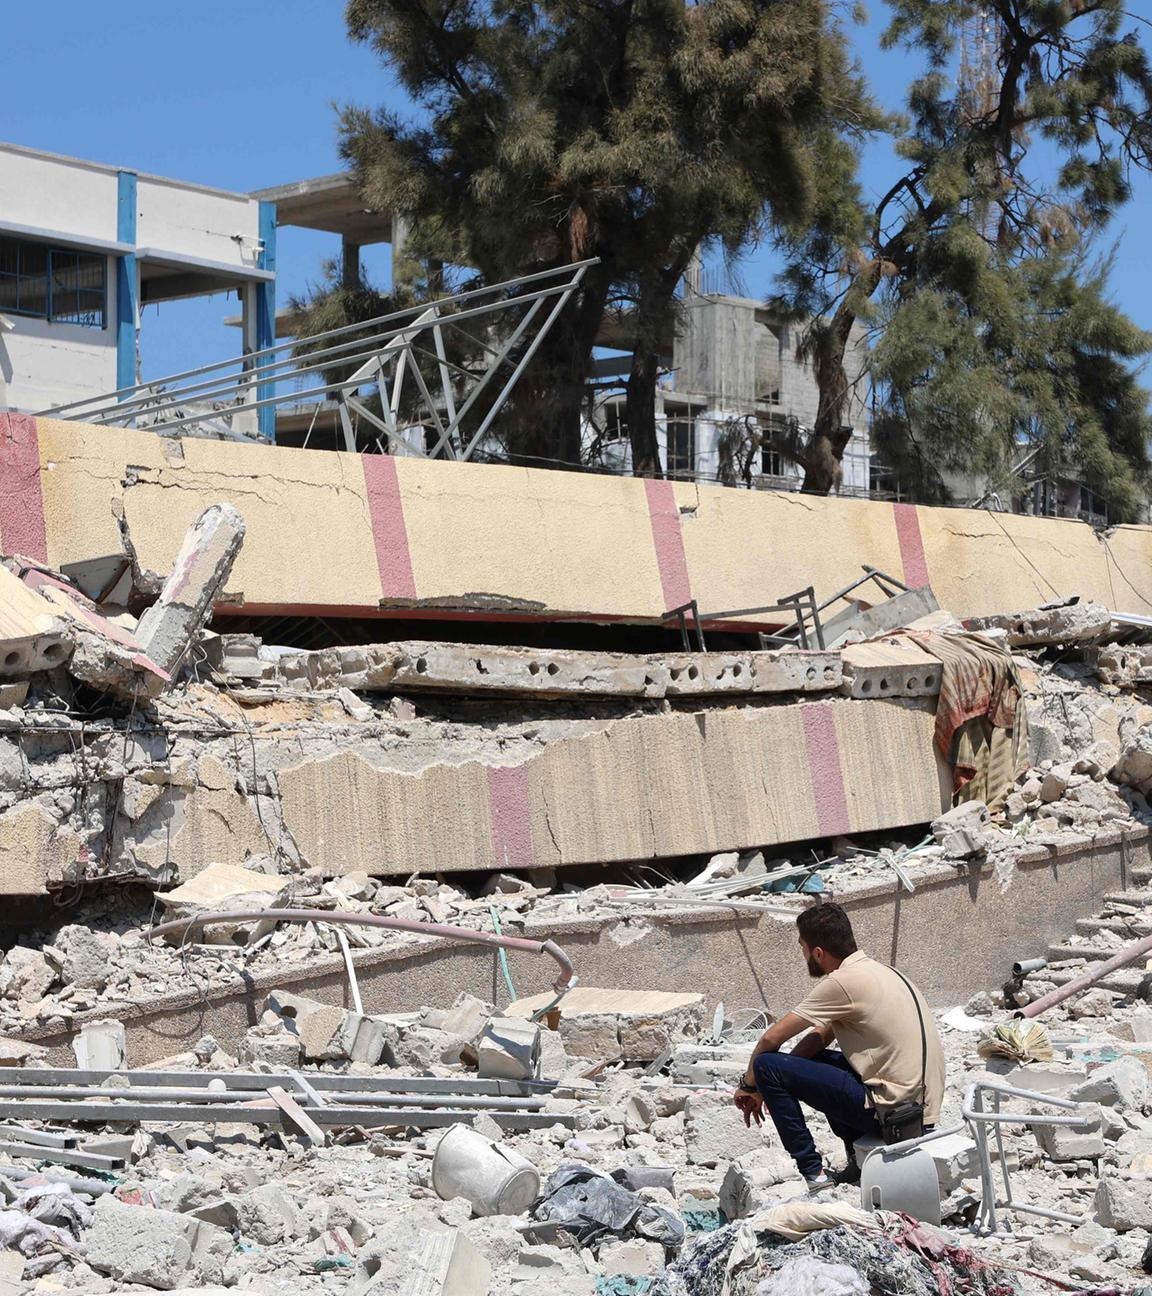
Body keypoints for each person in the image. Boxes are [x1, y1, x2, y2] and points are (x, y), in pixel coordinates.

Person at [732, 901, 945, 1192]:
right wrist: (783, 1083)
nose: (804, 955)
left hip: (893, 1115)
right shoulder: (885, 972)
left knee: (765, 1063)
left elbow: (770, 1039)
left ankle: (813, 1174)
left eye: (803, 948)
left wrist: (751, 1085)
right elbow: (821, 1035)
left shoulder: (843, 982)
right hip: (920, 1111)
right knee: (805, 1063)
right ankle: (857, 1162)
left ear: (818, 952)